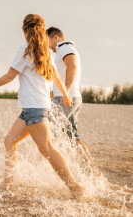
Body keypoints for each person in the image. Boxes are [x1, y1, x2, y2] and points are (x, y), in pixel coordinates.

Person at [0, 14, 84, 198]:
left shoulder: (25, 51)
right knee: (9, 142)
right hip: (32, 109)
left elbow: (9, 76)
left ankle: (75, 187)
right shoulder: (46, 52)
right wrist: (65, 94)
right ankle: (7, 184)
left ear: (25, 31)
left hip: (35, 109)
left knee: (47, 148)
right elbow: (56, 77)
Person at [47, 26, 102, 177]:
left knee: (45, 132)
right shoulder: (65, 48)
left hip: (66, 99)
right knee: (73, 137)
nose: (49, 47)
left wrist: (65, 92)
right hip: (71, 98)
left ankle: (54, 170)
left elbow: (72, 66)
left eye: (48, 42)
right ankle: (93, 170)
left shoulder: (64, 47)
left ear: (56, 37)